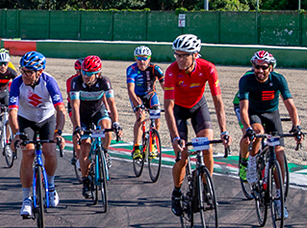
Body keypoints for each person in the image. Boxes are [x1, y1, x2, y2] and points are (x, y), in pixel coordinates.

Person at [164, 34, 229, 217]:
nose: (179, 59)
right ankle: (177, 192)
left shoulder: (208, 68)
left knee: (207, 147)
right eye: (177, 55)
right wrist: (175, 137)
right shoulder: (171, 71)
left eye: (184, 55)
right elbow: (168, 108)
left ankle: (207, 187)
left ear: (195, 55)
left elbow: (218, 102)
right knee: (182, 157)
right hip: (178, 110)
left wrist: (224, 131)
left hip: (198, 107)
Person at [7, 51, 66, 218]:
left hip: (47, 119)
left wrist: (59, 132)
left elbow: (60, 109)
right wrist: (16, 134)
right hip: (26, 120)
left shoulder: (49, 82)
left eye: (29, 72)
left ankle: (51, 187)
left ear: (39, 72)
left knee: (49, 151)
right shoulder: (17, 83)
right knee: (28, 153)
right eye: (23, 70)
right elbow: (12, 112)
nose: (25, 75)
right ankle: (26, 199)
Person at [237, 51, 301, 198]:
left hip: (272, 113)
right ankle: (251, 163)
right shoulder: (246, 80)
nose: (260, 71)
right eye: (257, 67)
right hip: (253, 112)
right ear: (253, 66)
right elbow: (244, 109)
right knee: (257, 131)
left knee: (279, 153)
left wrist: (296, 126)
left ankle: (279, 197)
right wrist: (247, 129)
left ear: (271, 68)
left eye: (264, 67)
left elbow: (291, 106)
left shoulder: (278, 79)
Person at [69, 55, 119, 199]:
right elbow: (75, 107)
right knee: (85, 146)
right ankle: (86, 181)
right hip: (82, 114)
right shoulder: (76, 82)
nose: (85, 76)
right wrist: (77, 127)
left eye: (90, 73)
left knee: (107, 127)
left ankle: (105, 151)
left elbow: (112, 104)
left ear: (98, 73)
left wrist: (116, 123)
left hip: (97, 111)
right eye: (84, 72)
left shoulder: (104, 81)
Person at [126, 46, 164, 160]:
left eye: (144, 58)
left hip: (151, 95)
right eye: (139, 58)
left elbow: (166, 87)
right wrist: (137, 105)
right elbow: (130, 90)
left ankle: (153, 143)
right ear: (135, 59)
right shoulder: (131, 69)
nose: (142, 61)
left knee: (156, 116)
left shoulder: (155, 69)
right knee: (141, 117)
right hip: (137, 96)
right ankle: (136, 147)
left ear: (149, 59)